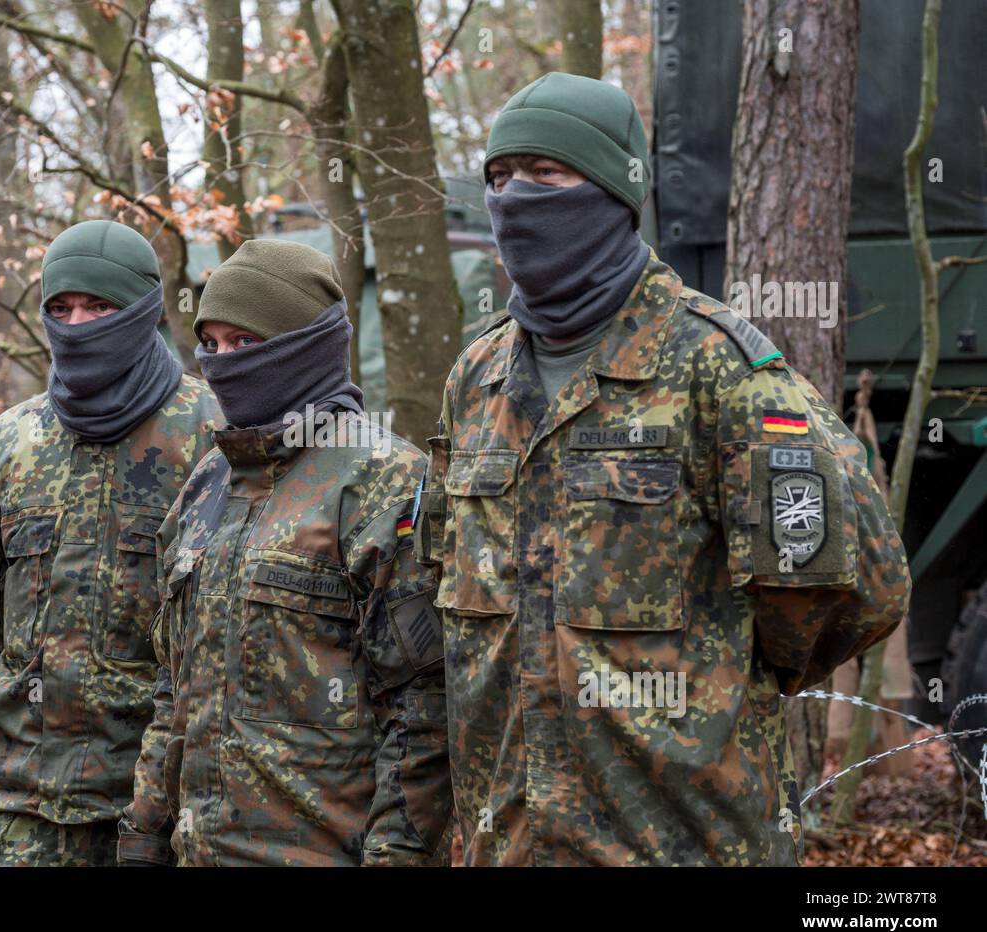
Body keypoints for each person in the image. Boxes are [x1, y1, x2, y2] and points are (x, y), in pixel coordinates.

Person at [413, 72, 912, 865]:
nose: (515, 200)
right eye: (501, 180)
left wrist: (726, 684)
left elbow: (858, 590)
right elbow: (439, 577)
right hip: (507, 844)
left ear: (616, 191)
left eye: (548, 176)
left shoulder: (719, 367)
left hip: (683, 842)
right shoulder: (475, 380)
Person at [117, 239, 453, 866]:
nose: (222, 362)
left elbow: (423, 714)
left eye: (245, 342)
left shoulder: (385, 481)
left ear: (303, 343)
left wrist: (397, 856)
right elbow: (175, 688)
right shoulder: (208, 482)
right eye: (210, 345)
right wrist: (144, 826)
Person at [0, 220, 221, 866]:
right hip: (23, 812)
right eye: (62, 308)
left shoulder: (212, 434)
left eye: (99, 306)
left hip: (162, 816)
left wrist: (167, 816)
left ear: (142, 310)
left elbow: (224, 649)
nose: (78, 324)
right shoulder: (13, 440)